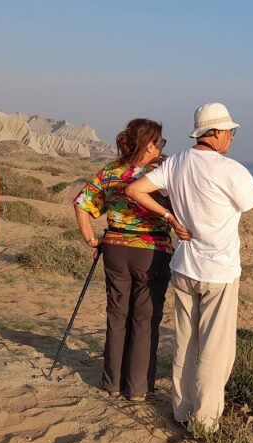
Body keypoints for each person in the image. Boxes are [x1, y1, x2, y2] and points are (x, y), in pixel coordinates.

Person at [126, 102, 253, 430]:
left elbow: (134, 190)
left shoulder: (176, 163)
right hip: (217, 272)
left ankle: (181, 410)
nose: (232, 137)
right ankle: (203, 422)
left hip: (185, 267)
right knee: (215, 351)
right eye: (230, 131)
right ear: (213, 133)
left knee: (186, 344)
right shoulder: (231, 171)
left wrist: (170, 217)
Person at [74, 118, 184, 401]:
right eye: (159, 142)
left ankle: (111, 382)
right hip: (152, 251)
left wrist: (90, 239)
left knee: (117, 316)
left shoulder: (110, 171)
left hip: (115, 248)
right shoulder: (161, 172)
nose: (161, 147)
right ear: (149, 144)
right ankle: (138, 388)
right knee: (145, 319)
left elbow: (82, 204)